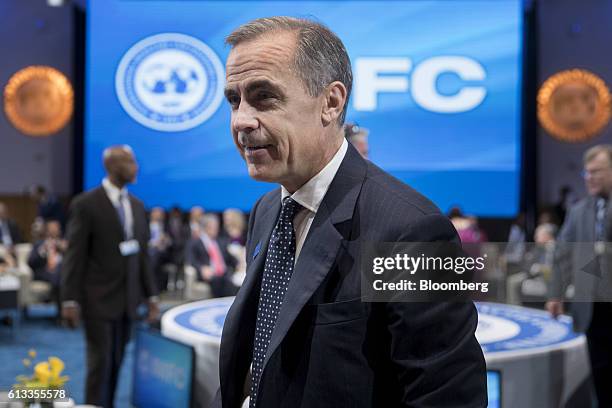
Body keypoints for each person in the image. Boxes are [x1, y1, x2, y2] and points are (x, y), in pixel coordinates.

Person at [214, 17, 486, 408]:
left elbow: (451, 399)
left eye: (264, 97)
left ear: (331, 102)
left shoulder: (415, 231)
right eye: (234, 100)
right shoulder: (267, 208)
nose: (241, 120)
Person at [60, 145, 159, 408]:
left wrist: (151, 296)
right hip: (97, 301)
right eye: (130, 161)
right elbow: (75, 256)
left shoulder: (137, 206)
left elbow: (142, 257)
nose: (136, 166)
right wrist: (69, 300)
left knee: (116, 363)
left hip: (128, 302)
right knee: (99, 364)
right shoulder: (86, 204)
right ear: (112, 166)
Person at [546, 144, 612, 407]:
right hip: (593, 310)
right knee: (601, 376)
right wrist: (555, 293)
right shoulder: (579, 211)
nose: (590, 178)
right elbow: (562, 255)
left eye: (596, 171)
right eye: (587, 173)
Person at [185, 213, 237, 298]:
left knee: (233, 283)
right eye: (213, 226)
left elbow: (230, 258)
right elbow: (191, 260)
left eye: (217, 226)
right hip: (209, 274)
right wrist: (201, 268)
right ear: (206, 227)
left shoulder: (220, 242)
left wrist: (239, 264)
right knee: (219, 282)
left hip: (225, 273)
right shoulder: (195, 242)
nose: (216, 229)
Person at [27, 219, 67, 311]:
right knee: (58, 276)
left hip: (62, 271)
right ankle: (61, 312)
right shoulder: (39, 244)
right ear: (47, 230)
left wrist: (66, 249)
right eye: (52, 228)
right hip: (44, 271)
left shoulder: (64, 243)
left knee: (60, 272)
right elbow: (30, 262)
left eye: (57, 228)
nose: (55, 230)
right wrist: (43, 250)